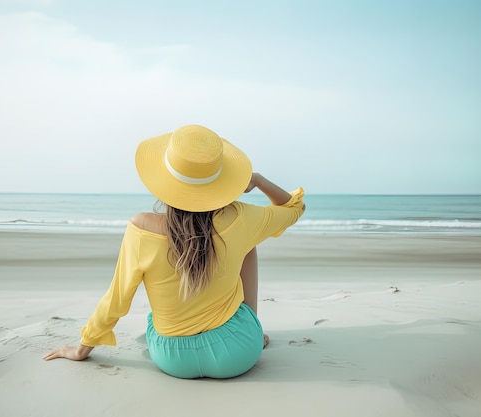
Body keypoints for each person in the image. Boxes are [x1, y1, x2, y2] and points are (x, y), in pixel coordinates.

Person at [44, 124, 305, 379]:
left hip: (172, 358)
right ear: (221, 180)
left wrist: (82, 348)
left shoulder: (141, 228)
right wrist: (258, 180)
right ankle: (254, 330)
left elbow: (117, 298)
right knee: (248, 244)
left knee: (156, 318)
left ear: (164, 179)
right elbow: (294, 208)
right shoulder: (241, 217)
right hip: (238, 353)